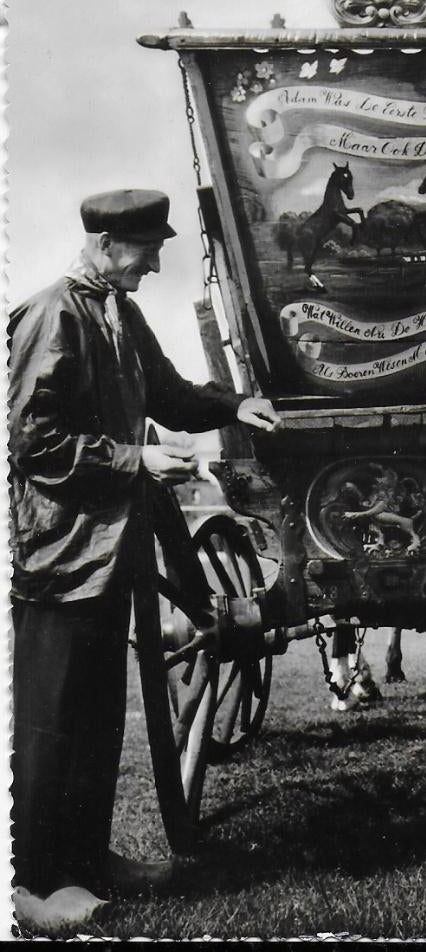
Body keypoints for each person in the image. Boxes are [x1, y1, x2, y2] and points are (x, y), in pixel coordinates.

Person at [8, 189, 281, 910]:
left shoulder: (118, 314)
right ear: (103, 245)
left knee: (96, 717)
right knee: (52, 721)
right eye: (147, 249)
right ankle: (32, 885)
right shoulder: (51, 314)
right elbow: (34, 443)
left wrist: (231, 406)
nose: (157, 264)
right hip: (59, 555)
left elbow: (168, 395)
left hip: (108, 553)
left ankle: (87, 863)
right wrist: (137, 461)